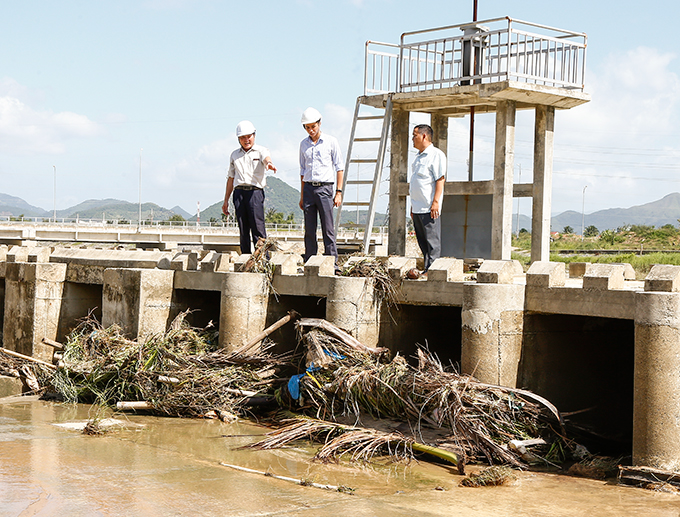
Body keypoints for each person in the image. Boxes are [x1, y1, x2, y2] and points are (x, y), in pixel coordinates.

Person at [222, 120, 277, 255]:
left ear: (254, 135)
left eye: (249, 136)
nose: (246, 140)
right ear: (238, 139)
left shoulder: (261, 150)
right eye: (243, 137)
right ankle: (245, 258)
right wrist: (226, 200)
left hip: (255, 193)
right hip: (239, 193)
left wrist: (269, 164)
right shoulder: (234, 155)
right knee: (243, 228)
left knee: (258, 228)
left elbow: (266, 158)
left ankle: (263, 260)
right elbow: (230, 178)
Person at [298, 107, 344, 265]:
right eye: (307, 127)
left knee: (327, 227)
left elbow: (339, 167)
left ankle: (332, 261)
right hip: (309, 188)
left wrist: (338, 192)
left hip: (325, 188)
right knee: (309, 229)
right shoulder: (303, 144)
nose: (311, 130)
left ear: (319, 124)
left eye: (313, 126)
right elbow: (303, 171)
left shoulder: (331, 141)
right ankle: (310, 260)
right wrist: (302, 195)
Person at [409, 123, 446, 277]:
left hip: (429, 207)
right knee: (422, 242)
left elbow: (440, 179)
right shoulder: (418, 157)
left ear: (424, 136)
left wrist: (436, 202)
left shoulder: (436, 155)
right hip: (417, 207)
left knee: (432, 242)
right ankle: (426, 269)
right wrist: (412, 206)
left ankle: (432, 271)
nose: (412, 139)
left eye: (414, 135)